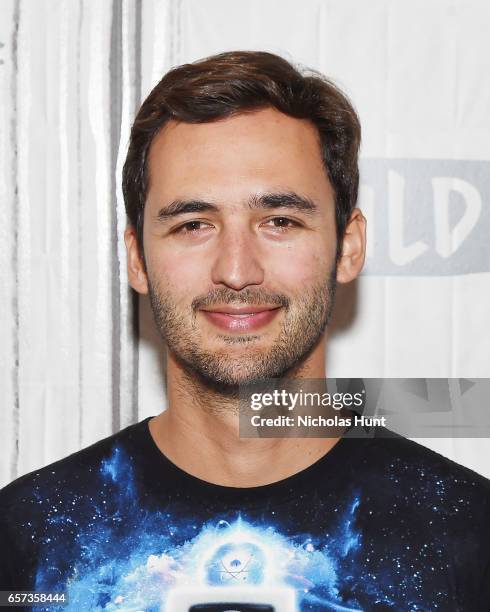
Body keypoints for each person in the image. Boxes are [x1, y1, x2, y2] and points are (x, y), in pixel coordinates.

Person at [1, 50, 489, 612]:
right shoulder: (27, 538)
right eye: (194, 224)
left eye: (279, 221)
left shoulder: (467, 533)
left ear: (348, 246)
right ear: (137, 259)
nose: (236, 270)